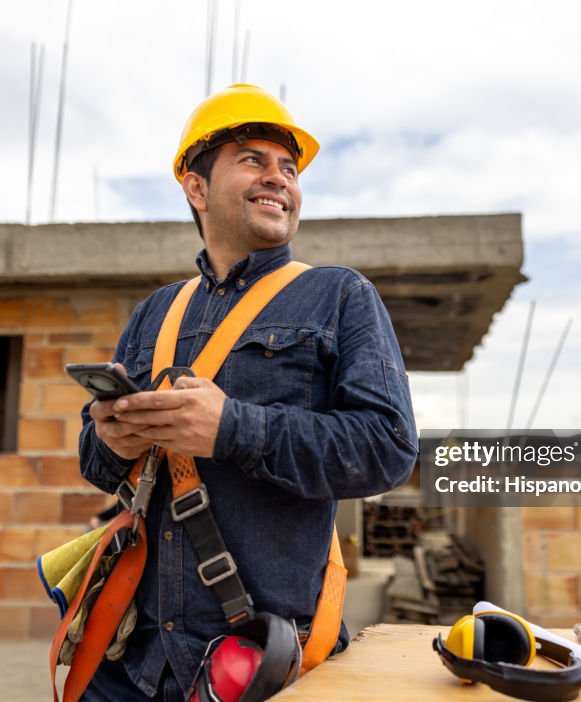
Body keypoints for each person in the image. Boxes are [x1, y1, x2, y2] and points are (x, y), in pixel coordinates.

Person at [77, 84, 418, 701]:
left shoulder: (339, 296)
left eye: (288, 168)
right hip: (136, 656)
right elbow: (97, 466)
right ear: (196, 187)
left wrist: (234, 428)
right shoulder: (156, 312)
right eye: (252, 160)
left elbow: (388, 447)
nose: (279, 179)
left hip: (262, 661)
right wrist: (108, 438)